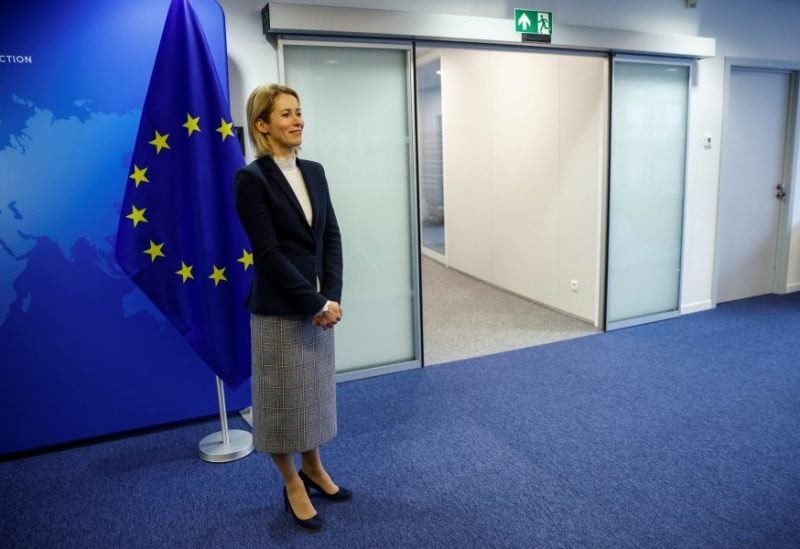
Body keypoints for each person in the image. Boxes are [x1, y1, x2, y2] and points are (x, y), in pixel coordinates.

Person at [234, 83, 350, 533]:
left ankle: (314, 468)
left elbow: (330, 236)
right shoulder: (251, 179)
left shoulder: (314, 171)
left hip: (318, 305)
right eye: (285, 114)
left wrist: (331, 294)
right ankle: (292, 483)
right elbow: (268, 254)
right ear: (262, 125)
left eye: (298, 111)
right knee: (282, 403)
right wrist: (315, 300)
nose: (297, 120)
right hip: (280, 309)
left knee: (311, 396)